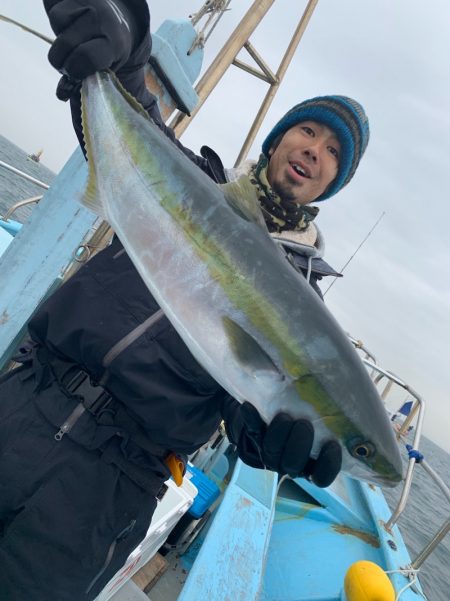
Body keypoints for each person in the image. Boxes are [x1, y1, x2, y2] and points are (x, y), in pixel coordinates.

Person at [0, 1, 370, 599]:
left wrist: (275, 441)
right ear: (279, 141)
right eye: (308, 131)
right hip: (22, 397)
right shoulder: (191, 181)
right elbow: (131, 119)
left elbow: (245, 421)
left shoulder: (305, 315)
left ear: (332, 181)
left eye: (333, 152)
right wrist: (123, 45)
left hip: (110, 485)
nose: (314, 151)